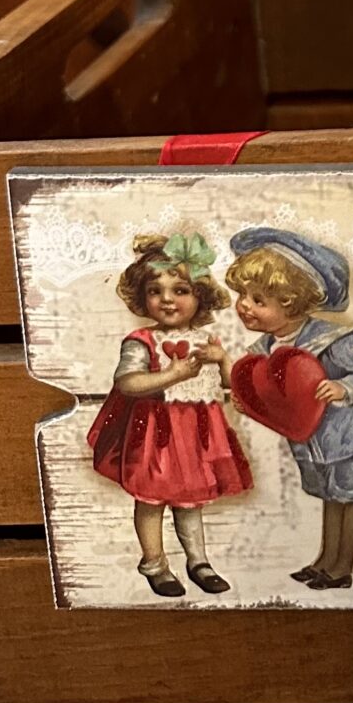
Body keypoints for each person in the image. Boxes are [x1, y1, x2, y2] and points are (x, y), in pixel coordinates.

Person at [212, 227, 353, 589]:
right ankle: (325, 560)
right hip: (312, 441)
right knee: (330, 499)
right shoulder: (265, 349)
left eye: (258, 299)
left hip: (350, 436)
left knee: (352, 498)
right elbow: (258, 388)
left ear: (291, 303)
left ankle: (342, 568)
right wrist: (246, 399)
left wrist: (344, 386)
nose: (245, 305)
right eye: (243, 295)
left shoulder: (334, 338)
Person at [87, 231, 252, 597]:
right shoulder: (142, 341)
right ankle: (155, 563)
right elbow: (127, 383)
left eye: (180, 290)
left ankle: (198, 561)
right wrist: (171, 375)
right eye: (155, 291)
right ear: (142, 298)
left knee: (190, 499)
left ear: (200, 296)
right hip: (155, 434)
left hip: (196, 435)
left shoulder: (207, 342)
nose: (167, 299)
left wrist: (223, 360)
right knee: (151, 499)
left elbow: (231, 384)